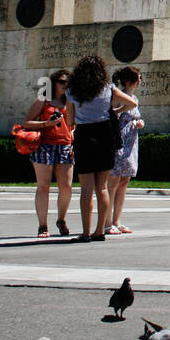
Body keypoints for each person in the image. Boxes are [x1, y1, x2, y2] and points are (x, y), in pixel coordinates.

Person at [64, 55, 138, 243]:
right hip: (105, 134)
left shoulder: (72, 91)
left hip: (84, 135)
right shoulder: (108, 89)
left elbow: (69, 120)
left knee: (86, 189)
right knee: (102, 187)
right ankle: (99, 231)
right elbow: (132, 103)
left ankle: (85, 232)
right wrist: (114, 111)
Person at [21, 69, 75, 238]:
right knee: (43, 187)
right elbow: (27, 123)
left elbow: (74, 125)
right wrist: (46, 124)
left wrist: (74, 141)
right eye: (61, 82)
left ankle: (61, 219)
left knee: (66, 187)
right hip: (44, 145)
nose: (65, 85)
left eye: (68, 82)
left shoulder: (71, 102)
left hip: (65, 146)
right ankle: (42, 226)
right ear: (54, 83)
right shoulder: (43, 100)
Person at [106, 66, 144, 235]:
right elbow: (110, 115)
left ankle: (117, 220)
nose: (140, 80)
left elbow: (134, 116)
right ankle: (107, 222)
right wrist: (122, 111)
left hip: (131, 142)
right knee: (113, 182)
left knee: (124, 182)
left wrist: (139, 122)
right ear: (128, 81)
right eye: (138, 78)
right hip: (119, 141)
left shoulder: (134, 97)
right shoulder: (118, 96)